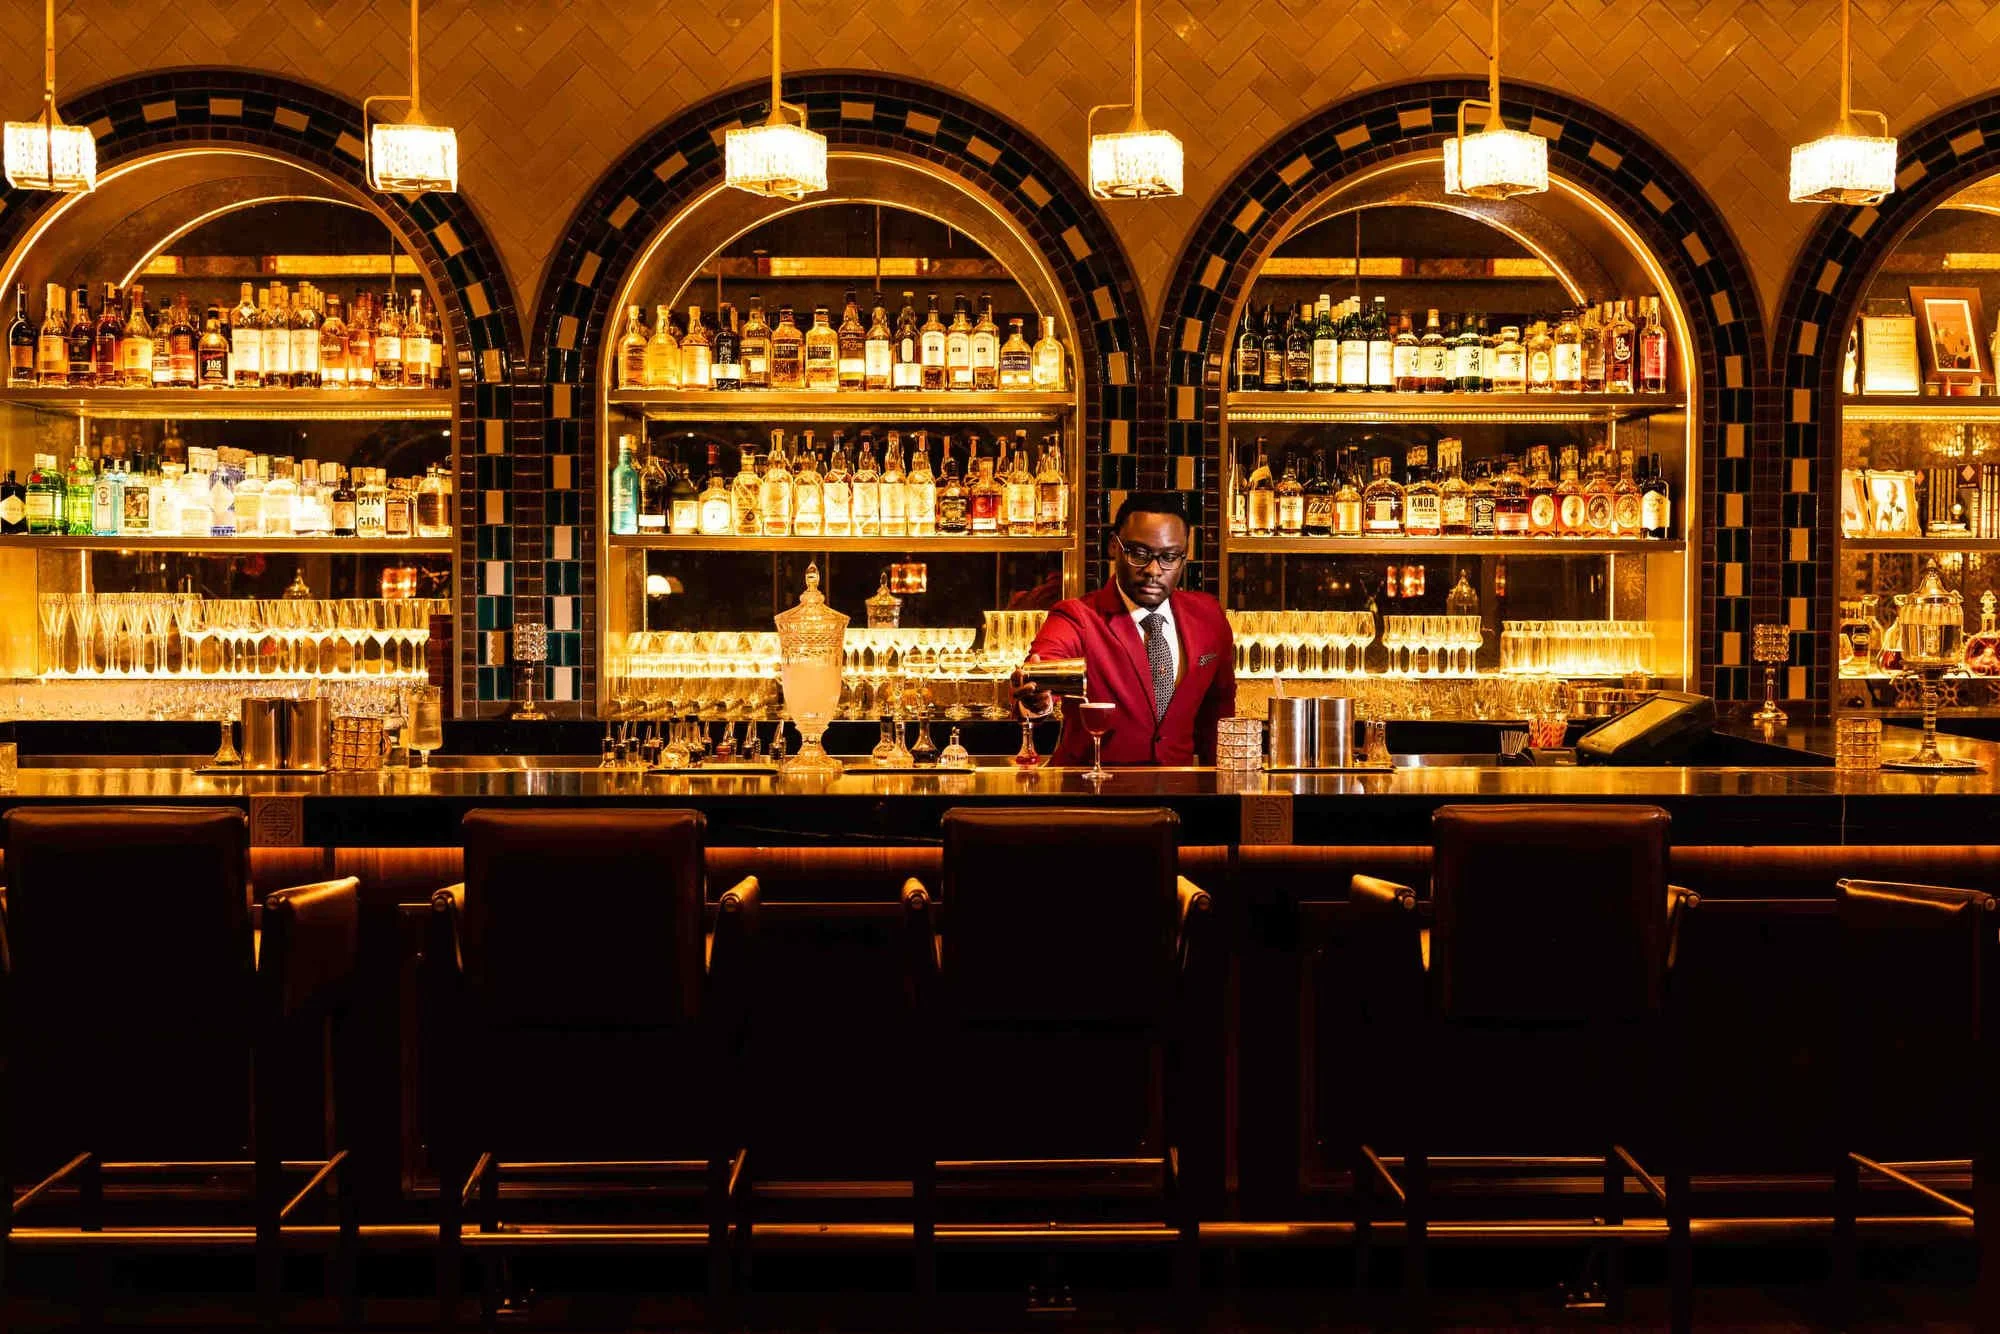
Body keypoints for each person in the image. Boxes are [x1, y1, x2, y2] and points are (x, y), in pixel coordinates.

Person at [1015, 493, 1236, 766]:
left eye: (1169, 556)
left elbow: (1220, 713)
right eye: (1139, 554)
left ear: (1184, 556)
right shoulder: (1077, 617)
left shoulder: (1208, 617)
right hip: (1092, 798)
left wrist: (1223, 787)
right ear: (1113, 546)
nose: (1154, 570)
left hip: (1180, 795)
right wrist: (1038, 697)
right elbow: (1042, 667)